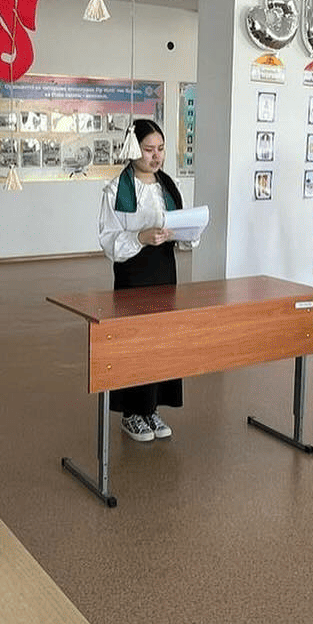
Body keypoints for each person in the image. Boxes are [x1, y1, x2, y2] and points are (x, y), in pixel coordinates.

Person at [97, 118, 187, 443]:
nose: (156, 156)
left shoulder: (168, 186)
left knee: (161, 339)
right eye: (149, 149)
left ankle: (152, 408)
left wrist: (185, 232)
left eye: (161, 149)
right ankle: (132, 413)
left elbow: (181, 226)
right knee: (135, 340)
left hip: (165, 272)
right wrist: (139, 237)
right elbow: (108, 239)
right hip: (134, 274)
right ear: (134, 149)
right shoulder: (116, 190)